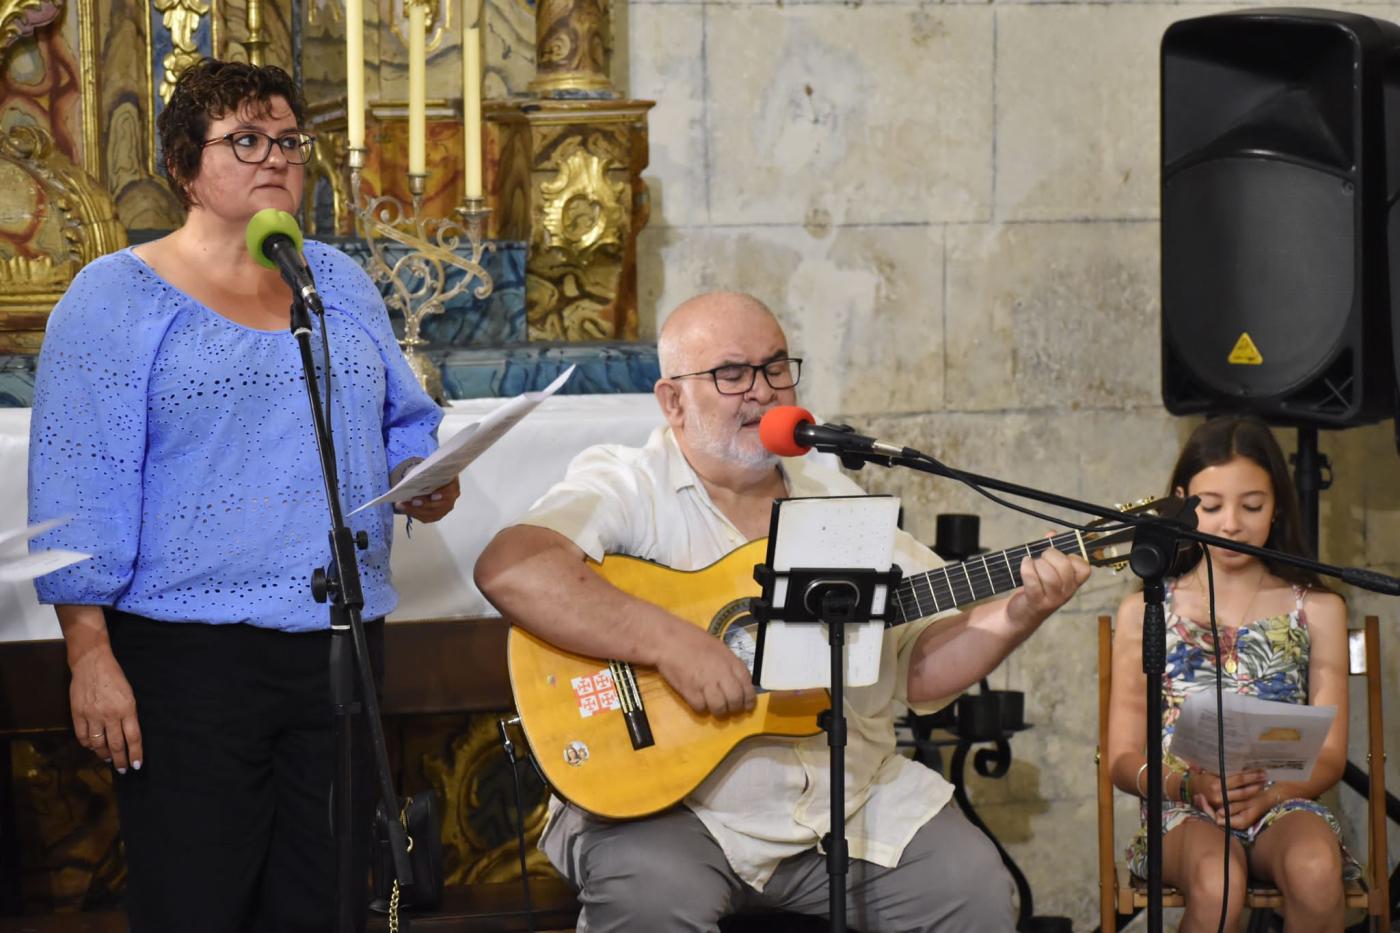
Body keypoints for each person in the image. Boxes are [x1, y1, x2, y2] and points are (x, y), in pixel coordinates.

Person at [474, 291, 1091, 932]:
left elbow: (915, 668)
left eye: (775, 368)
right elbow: (513, 568)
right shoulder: (628, 483)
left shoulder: (833, 494)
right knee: (652, 900)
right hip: (671, 810)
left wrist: (1019, 613)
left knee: (973, 888)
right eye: (732, 373)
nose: (763, 391)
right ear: (672, 400)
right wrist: (670, 643)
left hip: (842, 802)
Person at [27, 59, 460, 931]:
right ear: (186, 167)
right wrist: (88, 652)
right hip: (190, 660)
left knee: (326, 897)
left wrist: (423, 480)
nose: (275, 158)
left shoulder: (331, 280)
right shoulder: (115, 297)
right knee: (198, 900)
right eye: (246, 140)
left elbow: (402, 421)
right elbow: (72, 493)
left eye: (289, 140)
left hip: (341, 646)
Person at [1106, 416, 1351, 933]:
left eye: (1252, 506)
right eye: (1210, 507)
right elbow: (1122, 756)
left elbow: (1330, 753)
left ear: (1277, 504)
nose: (1231, 525)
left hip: (1284, 800)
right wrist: (1184, 784)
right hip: (1183, 806)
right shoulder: (1150, 609)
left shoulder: (1319, 607)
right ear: (1180, 503)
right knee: (1218, 882)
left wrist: (1270, 796)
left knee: (1316, 869)